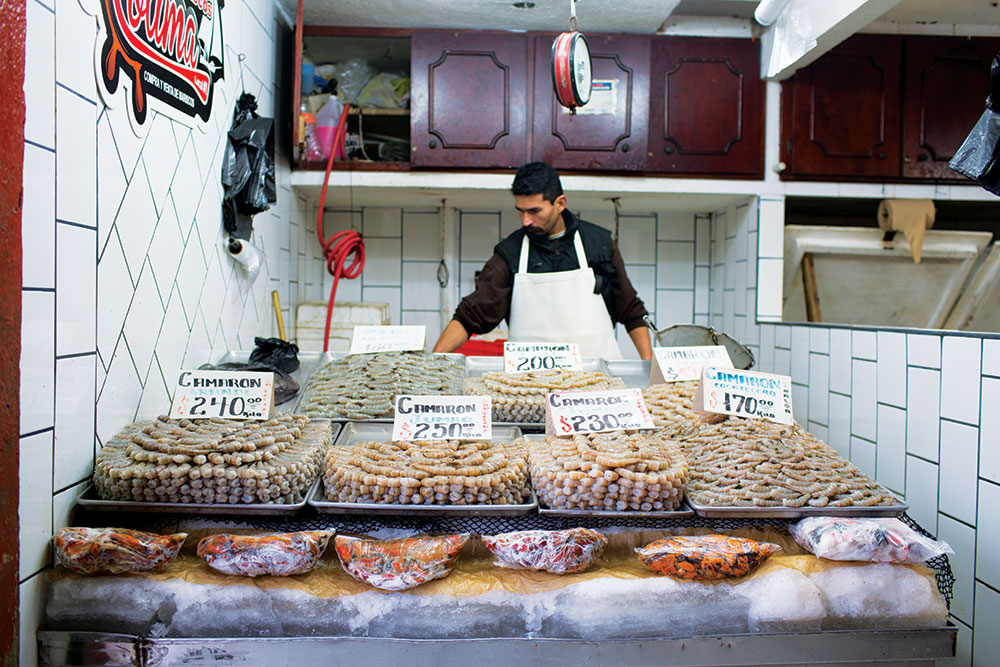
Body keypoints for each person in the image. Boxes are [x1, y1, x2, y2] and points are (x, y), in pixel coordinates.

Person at [432, 162, 652, 360]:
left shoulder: (599, 245)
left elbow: (631, 311)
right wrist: (432, 363)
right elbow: (470, 315)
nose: (526, 221)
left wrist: (648, 368)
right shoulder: (511, 252)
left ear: (560, 203)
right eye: (520, 211)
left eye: (535, 211)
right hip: (530, 387)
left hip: (596, 384)